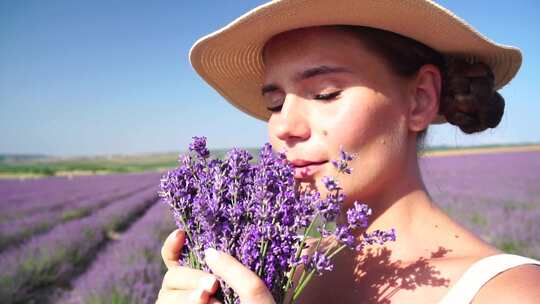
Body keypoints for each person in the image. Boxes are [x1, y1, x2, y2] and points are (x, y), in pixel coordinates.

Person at [156, 1, 540, 303]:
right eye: (274, 103)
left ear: (420, 99)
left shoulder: (510, 293)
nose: (283, 126)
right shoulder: (265, 264)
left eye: (325, 94)